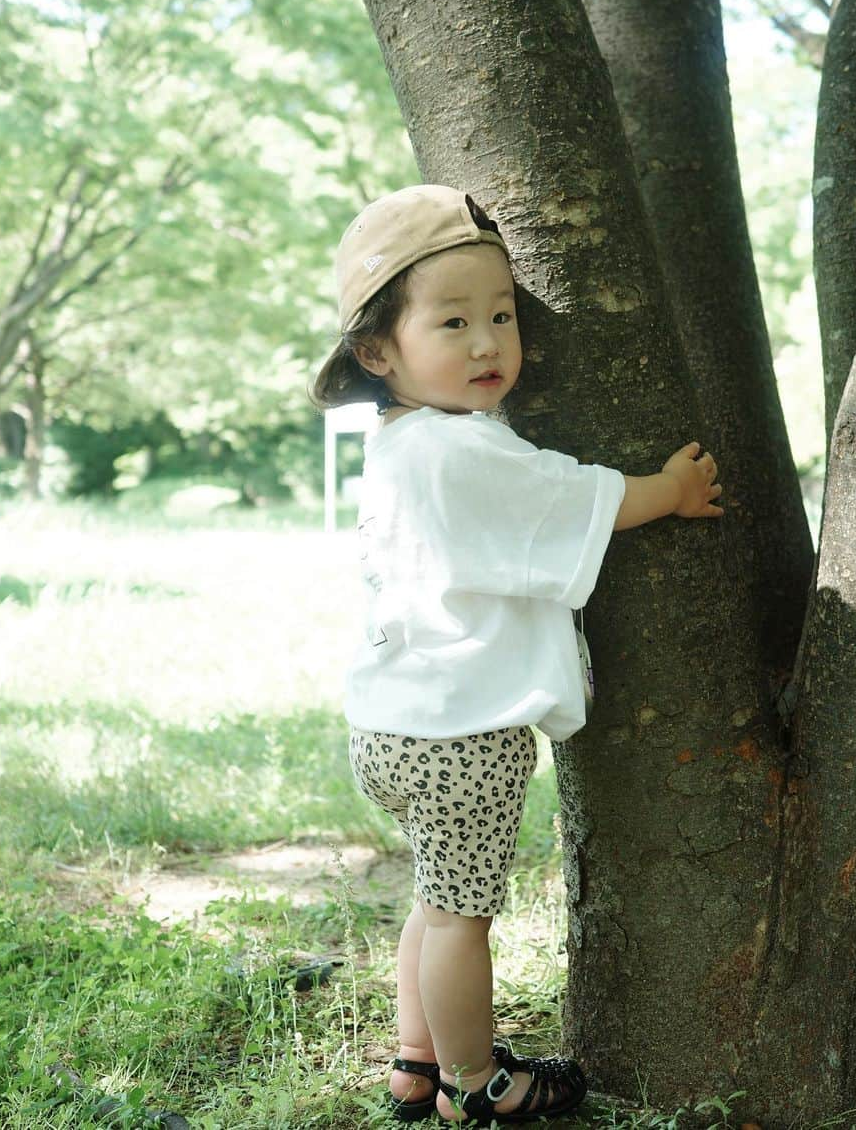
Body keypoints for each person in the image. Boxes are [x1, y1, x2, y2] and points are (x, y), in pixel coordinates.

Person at [312, 185, 723, 1126]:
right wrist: (666, 489)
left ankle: (415, 1063)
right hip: (461, 737)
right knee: (462, 918)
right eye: (453, 322)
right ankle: (475, 1083)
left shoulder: (405, 444)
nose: (489, 343)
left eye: (502, 315)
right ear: (380, 352)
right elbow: (565, 498)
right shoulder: (460, 452)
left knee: (434, 896)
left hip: (394, 726)